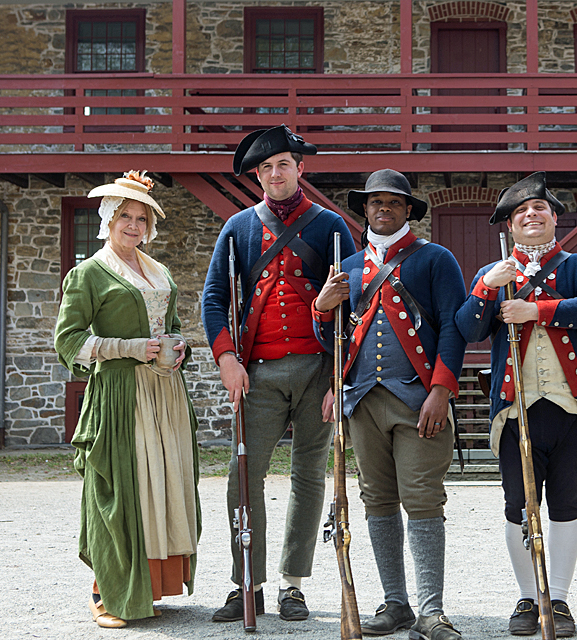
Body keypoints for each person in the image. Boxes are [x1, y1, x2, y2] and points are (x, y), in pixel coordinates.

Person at [201, 125, 356, 623]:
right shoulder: (239, 227)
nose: (274, 174)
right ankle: (247, 580)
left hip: (317, 369)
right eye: (265, 168)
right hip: (257, 372)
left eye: (283, 164)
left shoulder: (331, 227)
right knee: (242, 476)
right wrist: (226, 357)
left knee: (309, 476)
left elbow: (354, 304)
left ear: (300, 169)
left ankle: (293, 584)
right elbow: (214, 300)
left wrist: (338, 376)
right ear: (258, 175)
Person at [313, 169, 467, 640]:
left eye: (393, 202)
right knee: (376, 500)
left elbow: (453, 328)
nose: (383, 209)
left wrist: (441, 389)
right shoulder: (350, 266)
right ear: (365, 210)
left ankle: (431, 609)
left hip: (419, 400)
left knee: (422, 499)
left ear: (407, 209)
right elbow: (334, 339)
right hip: (361, 401)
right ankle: (395, 603)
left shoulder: (435, 259)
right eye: (375, 202)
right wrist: (322, 306)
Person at [456, 172, 577, 638]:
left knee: (566, 503)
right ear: (510, 227)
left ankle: (557, 598)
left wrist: (536, 310)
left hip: (571, 408)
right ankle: (527, 596)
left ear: (554, 217)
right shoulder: (493, 272)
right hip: (515, 408)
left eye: (539, 209)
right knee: (518, 505)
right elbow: (469, 329)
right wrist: (486, 289)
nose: (531, 216)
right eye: (521, 212)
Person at [55, 171, 200, 628]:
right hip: (120, 394)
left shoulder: (158, 271)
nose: (134, 225)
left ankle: (148, 588)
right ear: (108, 220)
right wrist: (128, 348)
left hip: (165, 393)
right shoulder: (89, 273)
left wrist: (179, 348)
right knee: (118, 488)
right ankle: (107, 592)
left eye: (141, 218)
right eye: (125, 217)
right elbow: (68, 340)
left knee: (161, 485)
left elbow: (171, 324)